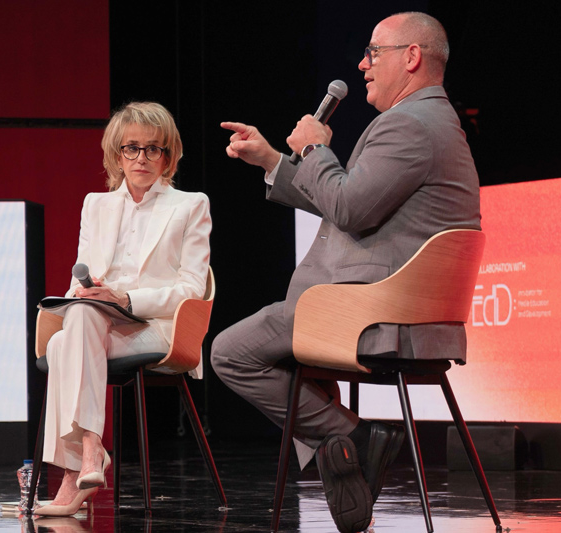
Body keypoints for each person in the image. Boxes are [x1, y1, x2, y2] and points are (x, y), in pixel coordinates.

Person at [212, 11, 480, 533]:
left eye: (373, 53)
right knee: (273, 356)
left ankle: (354, 439)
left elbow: (350, 208)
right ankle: (346, 452)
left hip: (374, 314)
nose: (362, 65)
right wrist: (272, 160)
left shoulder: (409, 125)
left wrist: (314, 147)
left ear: (412, 57)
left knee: (231, 353)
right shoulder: (431, 121)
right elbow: (345, 201)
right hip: (389, 308)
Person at [35, 102, 212, 517]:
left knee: (64, 347)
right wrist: (88, 292)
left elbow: (191, 288)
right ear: (117, 155)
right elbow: (79, 278)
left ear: (168, 156)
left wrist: (127, 299)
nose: (142, 158)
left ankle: (71, 473)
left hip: (158, 325)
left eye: (154, 149)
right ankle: (92, 449)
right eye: (132, 148)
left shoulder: (190, 205)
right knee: (78, 314)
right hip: (99, 322)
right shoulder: (96, 205)